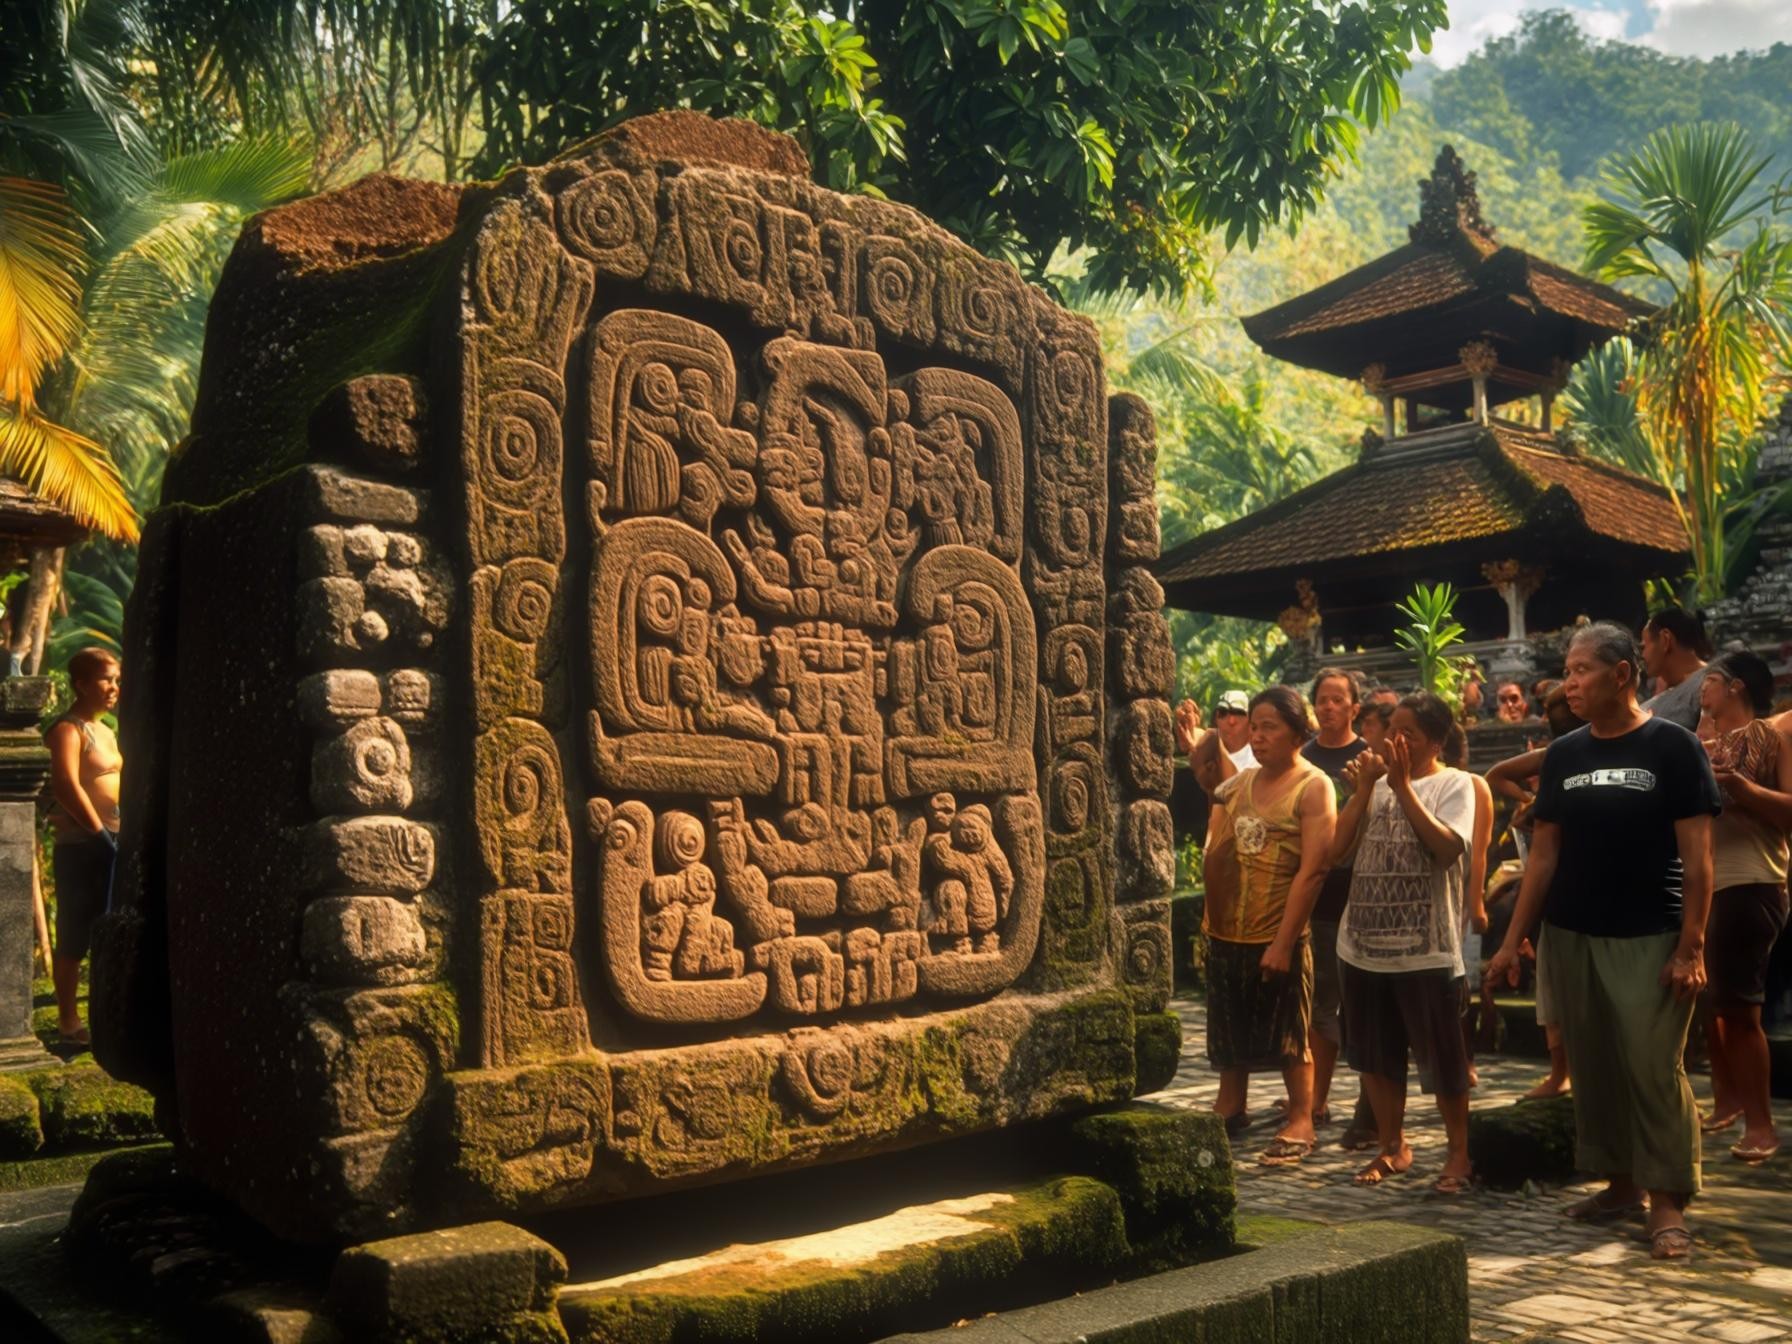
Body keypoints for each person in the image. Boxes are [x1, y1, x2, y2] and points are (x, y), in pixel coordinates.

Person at [1485, 623, 1718, 1262]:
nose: (1570, 682)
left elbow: (1699, 861)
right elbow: (1543, 859)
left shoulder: (1673, 748)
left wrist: (1692, 946)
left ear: (1622, 674)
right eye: (1567, 669)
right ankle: (1619, 1187)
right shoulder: (1565, 754)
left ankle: (1667, 1200)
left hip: (1651, 932)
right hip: (1572, 932)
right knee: (1594, 1067)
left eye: (1583, 669)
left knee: (1651, 1065)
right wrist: (1513, 942)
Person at [1331, 693, 1479, 1192]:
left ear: (1435, 742)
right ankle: (1392, 1147)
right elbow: (1336, 850)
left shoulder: (1456, 784)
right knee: (1374, 1056)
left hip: (1427, 948)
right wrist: (1363, 791)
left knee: (1443, 1058)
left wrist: (1403, 788)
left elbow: (1444, 848)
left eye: (1408, 733)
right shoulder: (1372, 786)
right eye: (1390, 730)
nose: (1394, 741)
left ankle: (1458, 1154)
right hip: (1362, 945)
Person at [1202, 686, 1336, 1164]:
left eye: (1268, 727)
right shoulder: (1240, 783)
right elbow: (1216, 848)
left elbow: (1315, 869)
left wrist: (1283, 942)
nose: (1257, 737)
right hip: (1228, 927)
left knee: (1288, 1028)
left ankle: (1301, 1116)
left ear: (1298, 733)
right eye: (1253, 727)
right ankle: (1231, 1103)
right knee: (1227, 1021)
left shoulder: (1313, 785)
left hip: (1279, 927)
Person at [1695, 651, 1789, 1163]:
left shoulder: (1769, 737)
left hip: (1752, 879)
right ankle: (1728, 1100)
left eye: (1709, 683)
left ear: (1733, 687)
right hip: (1708, 885)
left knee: (1741, 1009)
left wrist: (1739, 786)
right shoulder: (1697, 743)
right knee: (1716, 1006)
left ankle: (1762, 1125)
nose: (1701, 693)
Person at [1484, 684, 1587, 1099]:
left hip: (1581, 880)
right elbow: (1497, 776)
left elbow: (1496, 775)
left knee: (1561, 984)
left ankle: (1567, 1072)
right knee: (1553, 981)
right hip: (1554, 880)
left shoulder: (1581, 752)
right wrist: (1537, 800)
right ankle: (1562, 1072)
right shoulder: (1558, 755)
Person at [1298, 668, 1371, 1131]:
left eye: (1337, 700)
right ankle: (1315, 1100)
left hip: (1363, 897)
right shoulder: (1301, 758)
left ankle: (1371, 1103)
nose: (1328, 707)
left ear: (1354, 708)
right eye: (1321, 700)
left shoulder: (1369, 758)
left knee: (1365, 1005)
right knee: (1320, 1005)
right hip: (1316, 897)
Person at [46, 647, 123, 1046]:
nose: (114, 688)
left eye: (116, 680)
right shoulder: (68, 730)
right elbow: (66, 784)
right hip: (82, 844)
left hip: (111, 841)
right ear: (80, 684)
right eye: (106, 679)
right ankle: (67, 1021)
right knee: (75, 934)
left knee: (110, 927)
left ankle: (107, 1014)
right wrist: (97, 833)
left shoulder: (106, 730)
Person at [1640, 608, 1711, 732]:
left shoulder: (1709, 685)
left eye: (1644, 646)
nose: (1642, 655)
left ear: (1665, 639)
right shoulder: (1667, 692)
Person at [1213, 690, 1258, 771]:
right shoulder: (1207, 754)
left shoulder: (1259, 760)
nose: (1231, 721)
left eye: (1238, 713)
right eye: (1223, 713)